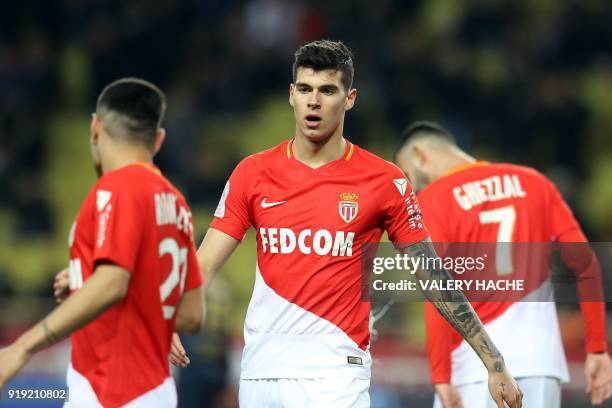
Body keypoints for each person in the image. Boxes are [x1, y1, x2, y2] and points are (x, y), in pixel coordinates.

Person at [170, 40, 522, 407]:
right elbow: (205, 263)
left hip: (335, 375)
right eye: (305, 89)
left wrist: (493, 361)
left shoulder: (385, 181)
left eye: (327, 91)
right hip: (262, 373)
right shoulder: (253, 173)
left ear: (349, 98)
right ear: (291, 95)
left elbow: (432, 276)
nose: (314, 101)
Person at [0, 78, 204, 407]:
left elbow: (113, 283)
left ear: (95, 126)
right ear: (159, 140)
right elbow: (192, 315)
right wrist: (86, 285)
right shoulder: (176, 203)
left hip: (111, 387)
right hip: (157, 391)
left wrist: (22, 347)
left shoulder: (116, 188)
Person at [394, 121, 612, 407]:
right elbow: (585, 263)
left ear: (421, 155)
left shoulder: (433, 200)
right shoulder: (535, 182)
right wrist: (597, 348)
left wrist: (441, 376)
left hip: (473, 370)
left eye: (409, 175)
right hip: (540, 364)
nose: (413, 187)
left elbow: (438, 291)